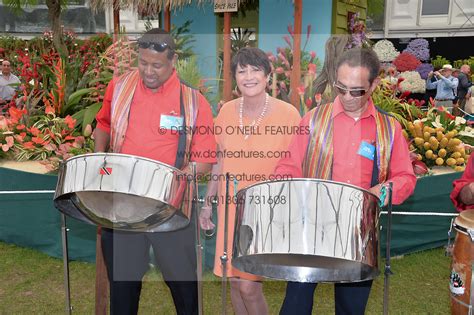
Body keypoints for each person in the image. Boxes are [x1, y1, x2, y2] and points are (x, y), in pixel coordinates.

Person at [274, 47, 417, 315]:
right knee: (295, 306)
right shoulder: (313, 120)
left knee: (351, 309)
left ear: (374, 84)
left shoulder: (388, 128)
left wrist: (380, 192)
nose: (347, 97)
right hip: (311, 230)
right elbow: (287, 166)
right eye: (341, 88)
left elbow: (405, 178)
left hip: (359, 233)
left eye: (356, 91)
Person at [94, 28, 217, 315]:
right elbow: (104, 124)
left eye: (157, 65)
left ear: (173, 61)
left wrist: (185, 174)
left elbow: (206, 157)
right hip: (123, 205)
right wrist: (101, 158)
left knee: (184, 289)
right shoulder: (120, 87)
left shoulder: (194, 101)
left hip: (170, 209)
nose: (148, 71)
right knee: (122, 290)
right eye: (143, 63)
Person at [199, 47, 301, 315]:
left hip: (265, 211)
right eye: (241, 71)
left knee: (249, 287)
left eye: (255, 70)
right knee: (233, 282)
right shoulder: (226, 112)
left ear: (268, 76)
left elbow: (298, 165)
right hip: (230, 208)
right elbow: (218, 161)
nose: (248, 76)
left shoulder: (289, 115)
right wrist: (207, 204)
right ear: (234, 77)